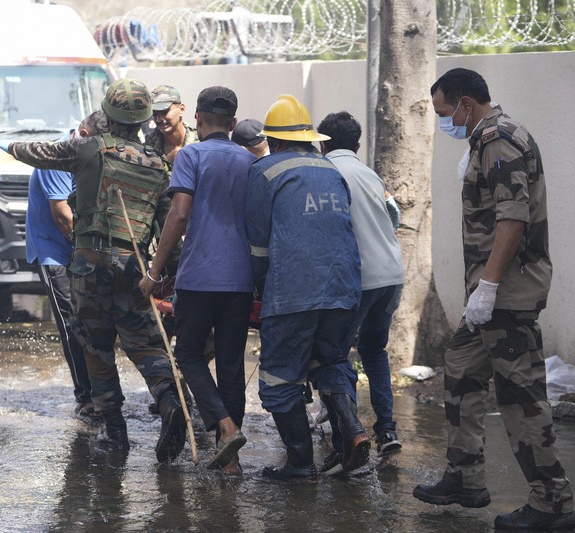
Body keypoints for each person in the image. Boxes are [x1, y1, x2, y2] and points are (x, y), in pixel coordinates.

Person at [413, 67, 575, 531]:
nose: (445, 121)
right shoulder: (485, 139)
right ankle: (464, 478)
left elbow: (512, 218)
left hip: (506, 292)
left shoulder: (499, 140)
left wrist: (487, 286)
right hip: (489, 293)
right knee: (461, 369)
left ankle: (553, 503)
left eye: (446, 111)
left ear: (466, 102)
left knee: (521, 398)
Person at [0, 79, 187, 464]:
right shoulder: (159, 166)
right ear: (141, 118)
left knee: (95, 347)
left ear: (109, 111)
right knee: (146, 343)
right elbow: (170, 228)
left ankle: (116, 433)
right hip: (134, 266)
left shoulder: (88, 148)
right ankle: (169, 400)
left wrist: (9, 145)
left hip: (88, 264)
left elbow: (41, 153)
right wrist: (167, 272)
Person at [245, 94, 368, 482]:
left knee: (280, 377)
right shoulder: (331, 169)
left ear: (275, 140)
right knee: (330, 361)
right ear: (308, 137)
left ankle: (300, 463)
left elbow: (258, 241)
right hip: (346, 287)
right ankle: (353, 429)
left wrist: (257, 285)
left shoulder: (264, 171)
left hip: (294, 289)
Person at [140, 86, 255, 476]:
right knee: (230, 364)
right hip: (240, 280)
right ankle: (231, 459)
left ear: (199, 120)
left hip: (200, 276)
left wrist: (154, 273)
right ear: (234, 123)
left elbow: (179, 215)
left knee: (187, 354)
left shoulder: (190, 155)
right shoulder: (248, 161)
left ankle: (225, 427)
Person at [316, 111, 405, 475]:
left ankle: (349, 438)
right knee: (373, 350)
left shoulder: (325, 173)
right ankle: (386, 430)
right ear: (357, 144)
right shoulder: (370, 173)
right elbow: (394, 215)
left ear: (321, 142)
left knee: (335, 356)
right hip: (391, 274)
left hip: (359, 278)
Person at [26, 111, 108, 420]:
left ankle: (101, 390)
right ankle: (85, 396)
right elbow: (62, 216)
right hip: (54, 251)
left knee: (95, 320)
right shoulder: (59, 155)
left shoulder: (97, 150)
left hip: (85, 249)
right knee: (72, 323)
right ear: (83, 134)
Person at [145, 85, 198, 166]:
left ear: (182, 109)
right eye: (155, 114)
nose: (159, 119)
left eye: (164, 112)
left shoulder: (199, 143)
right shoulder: (149, 146)